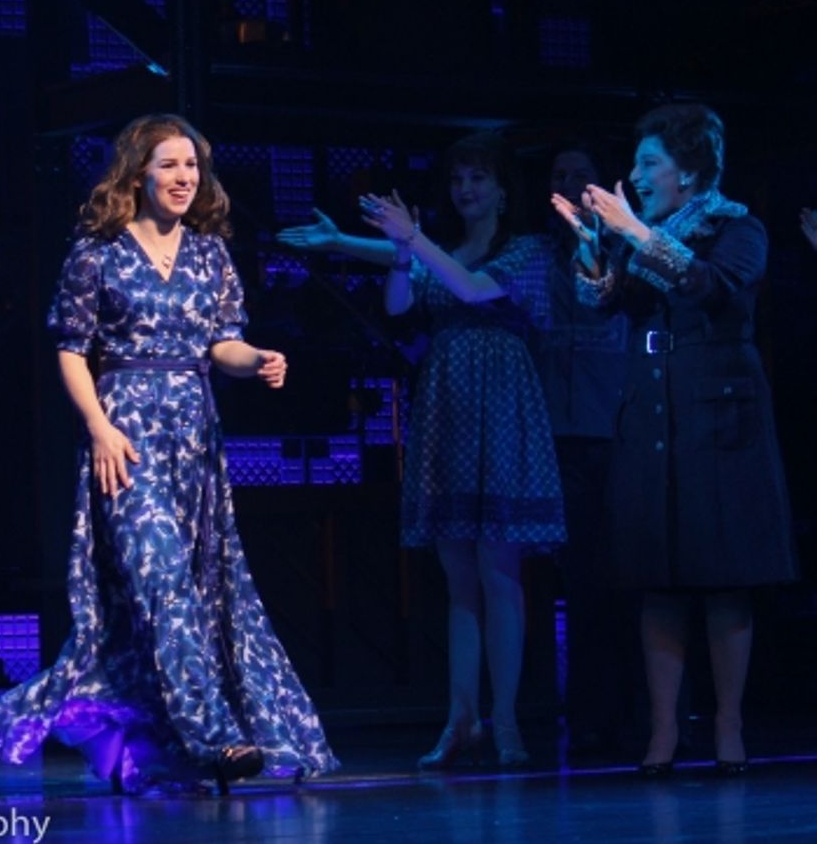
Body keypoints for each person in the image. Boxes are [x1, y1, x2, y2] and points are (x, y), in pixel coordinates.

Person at [0, 114, 338, 794]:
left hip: (193, 442)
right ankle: (212, 736)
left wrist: (257, 359)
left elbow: (222, 343)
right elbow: (71, 348)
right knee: (163, 582)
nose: (184, 177)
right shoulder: (98, 251)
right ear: (138, 172)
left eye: (192, 165)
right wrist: (99, 427)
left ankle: (147, 735)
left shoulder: (209, 254)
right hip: (127, 440)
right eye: (170, 164)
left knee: (186, 593)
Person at [286, 133, 565, 769]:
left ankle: (507, 718)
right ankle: (460, 718)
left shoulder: (527, 250)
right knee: (458, 578)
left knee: (500, 573)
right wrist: (350, 244)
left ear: (502, 190)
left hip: (501, 407)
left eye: (478, 178)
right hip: (447, 408)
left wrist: (410, 241)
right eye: (458, 179)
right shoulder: (440, 250)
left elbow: (471, 289)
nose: (465, 189)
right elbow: (400, 298)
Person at [553, 103, 797, 776]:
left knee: (724, 580)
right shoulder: (642, 238)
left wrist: (632, 230)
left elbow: (709, 287)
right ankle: (663, 731)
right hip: (652, 415)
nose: (636, 175)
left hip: (719, 419)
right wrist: (593, 244)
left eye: (650, 163)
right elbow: (605, 301)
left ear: (688, 170)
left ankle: (728, 724)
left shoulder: (736, 227)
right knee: (656, 580)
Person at [532, 142, 639, 759]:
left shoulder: (626, 247)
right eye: (560, 175)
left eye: (582, 174)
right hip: (560, 436)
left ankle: (638, 713)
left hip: (618, 432)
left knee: (626, 579)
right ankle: (587, 714)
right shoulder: (535, 255)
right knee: (580, 583)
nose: (570, 183)